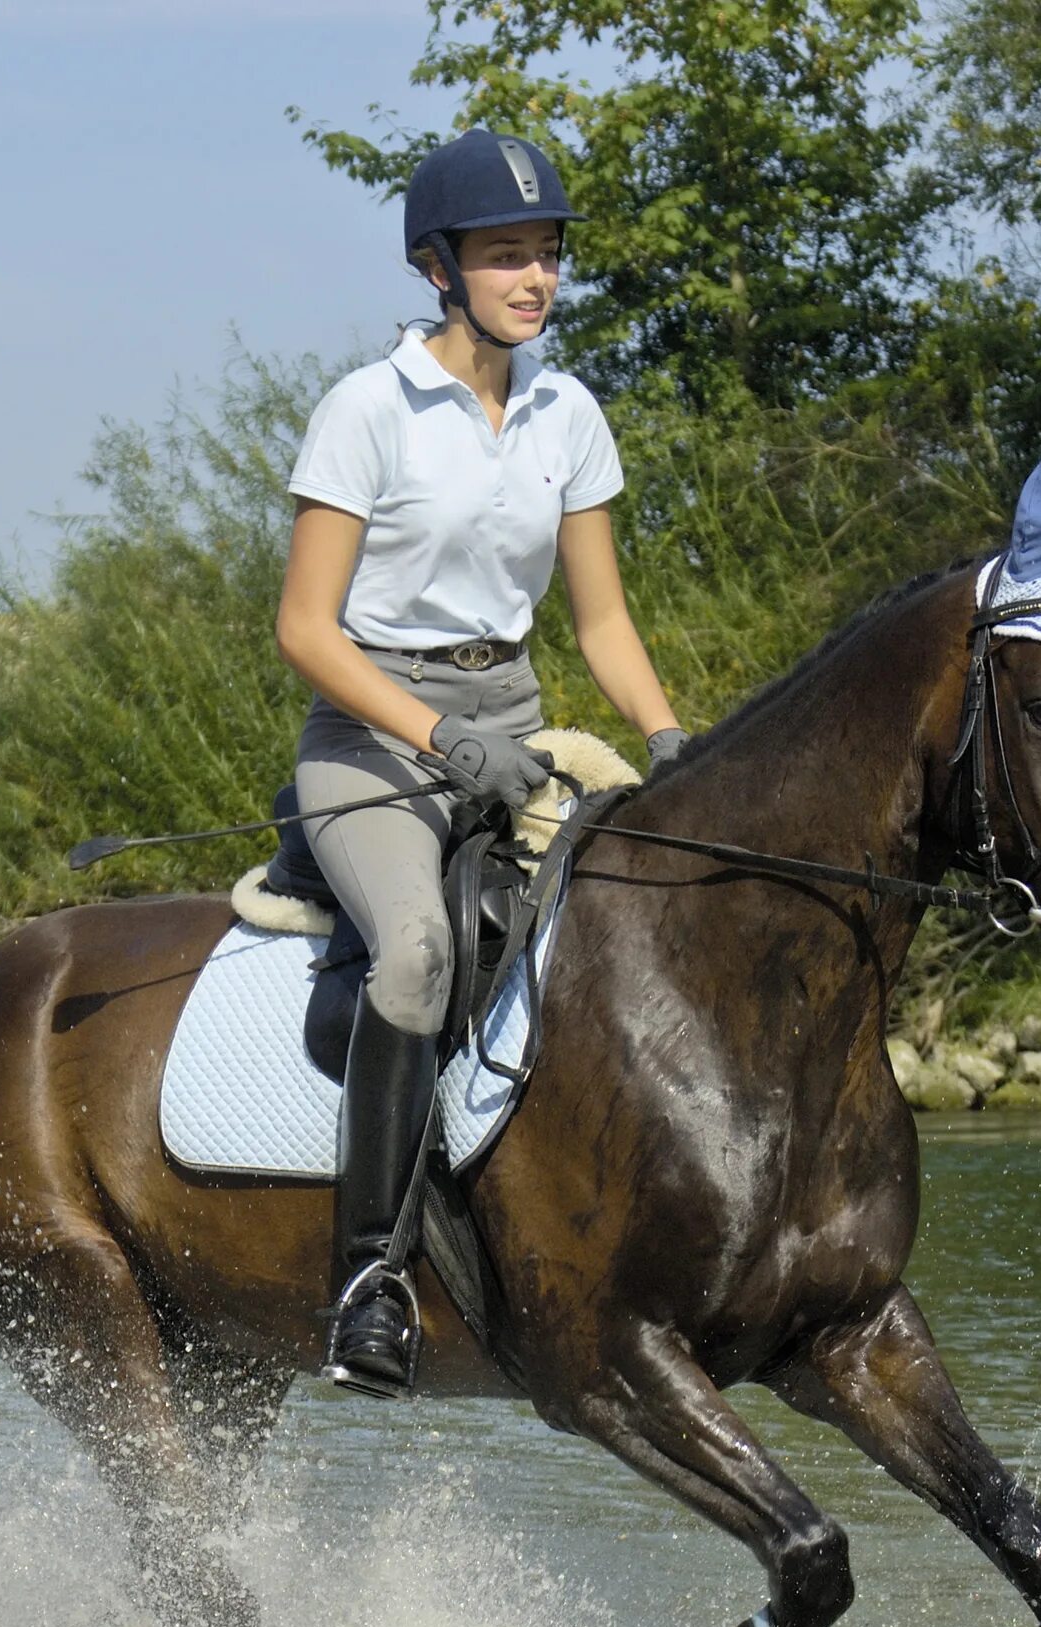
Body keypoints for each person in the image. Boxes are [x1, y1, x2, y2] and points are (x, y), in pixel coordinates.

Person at [275, 127, 688, 1400]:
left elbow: (602, 625)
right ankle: (370, 1285)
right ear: (438, 266)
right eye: (507, 255)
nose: (536, 278)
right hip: (373, 741)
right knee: (417, 949)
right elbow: (304, 628)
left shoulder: (569, 413)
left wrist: (673, 744)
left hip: (519, 717)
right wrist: (440, 736)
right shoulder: (369, 407)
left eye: (548, 254)